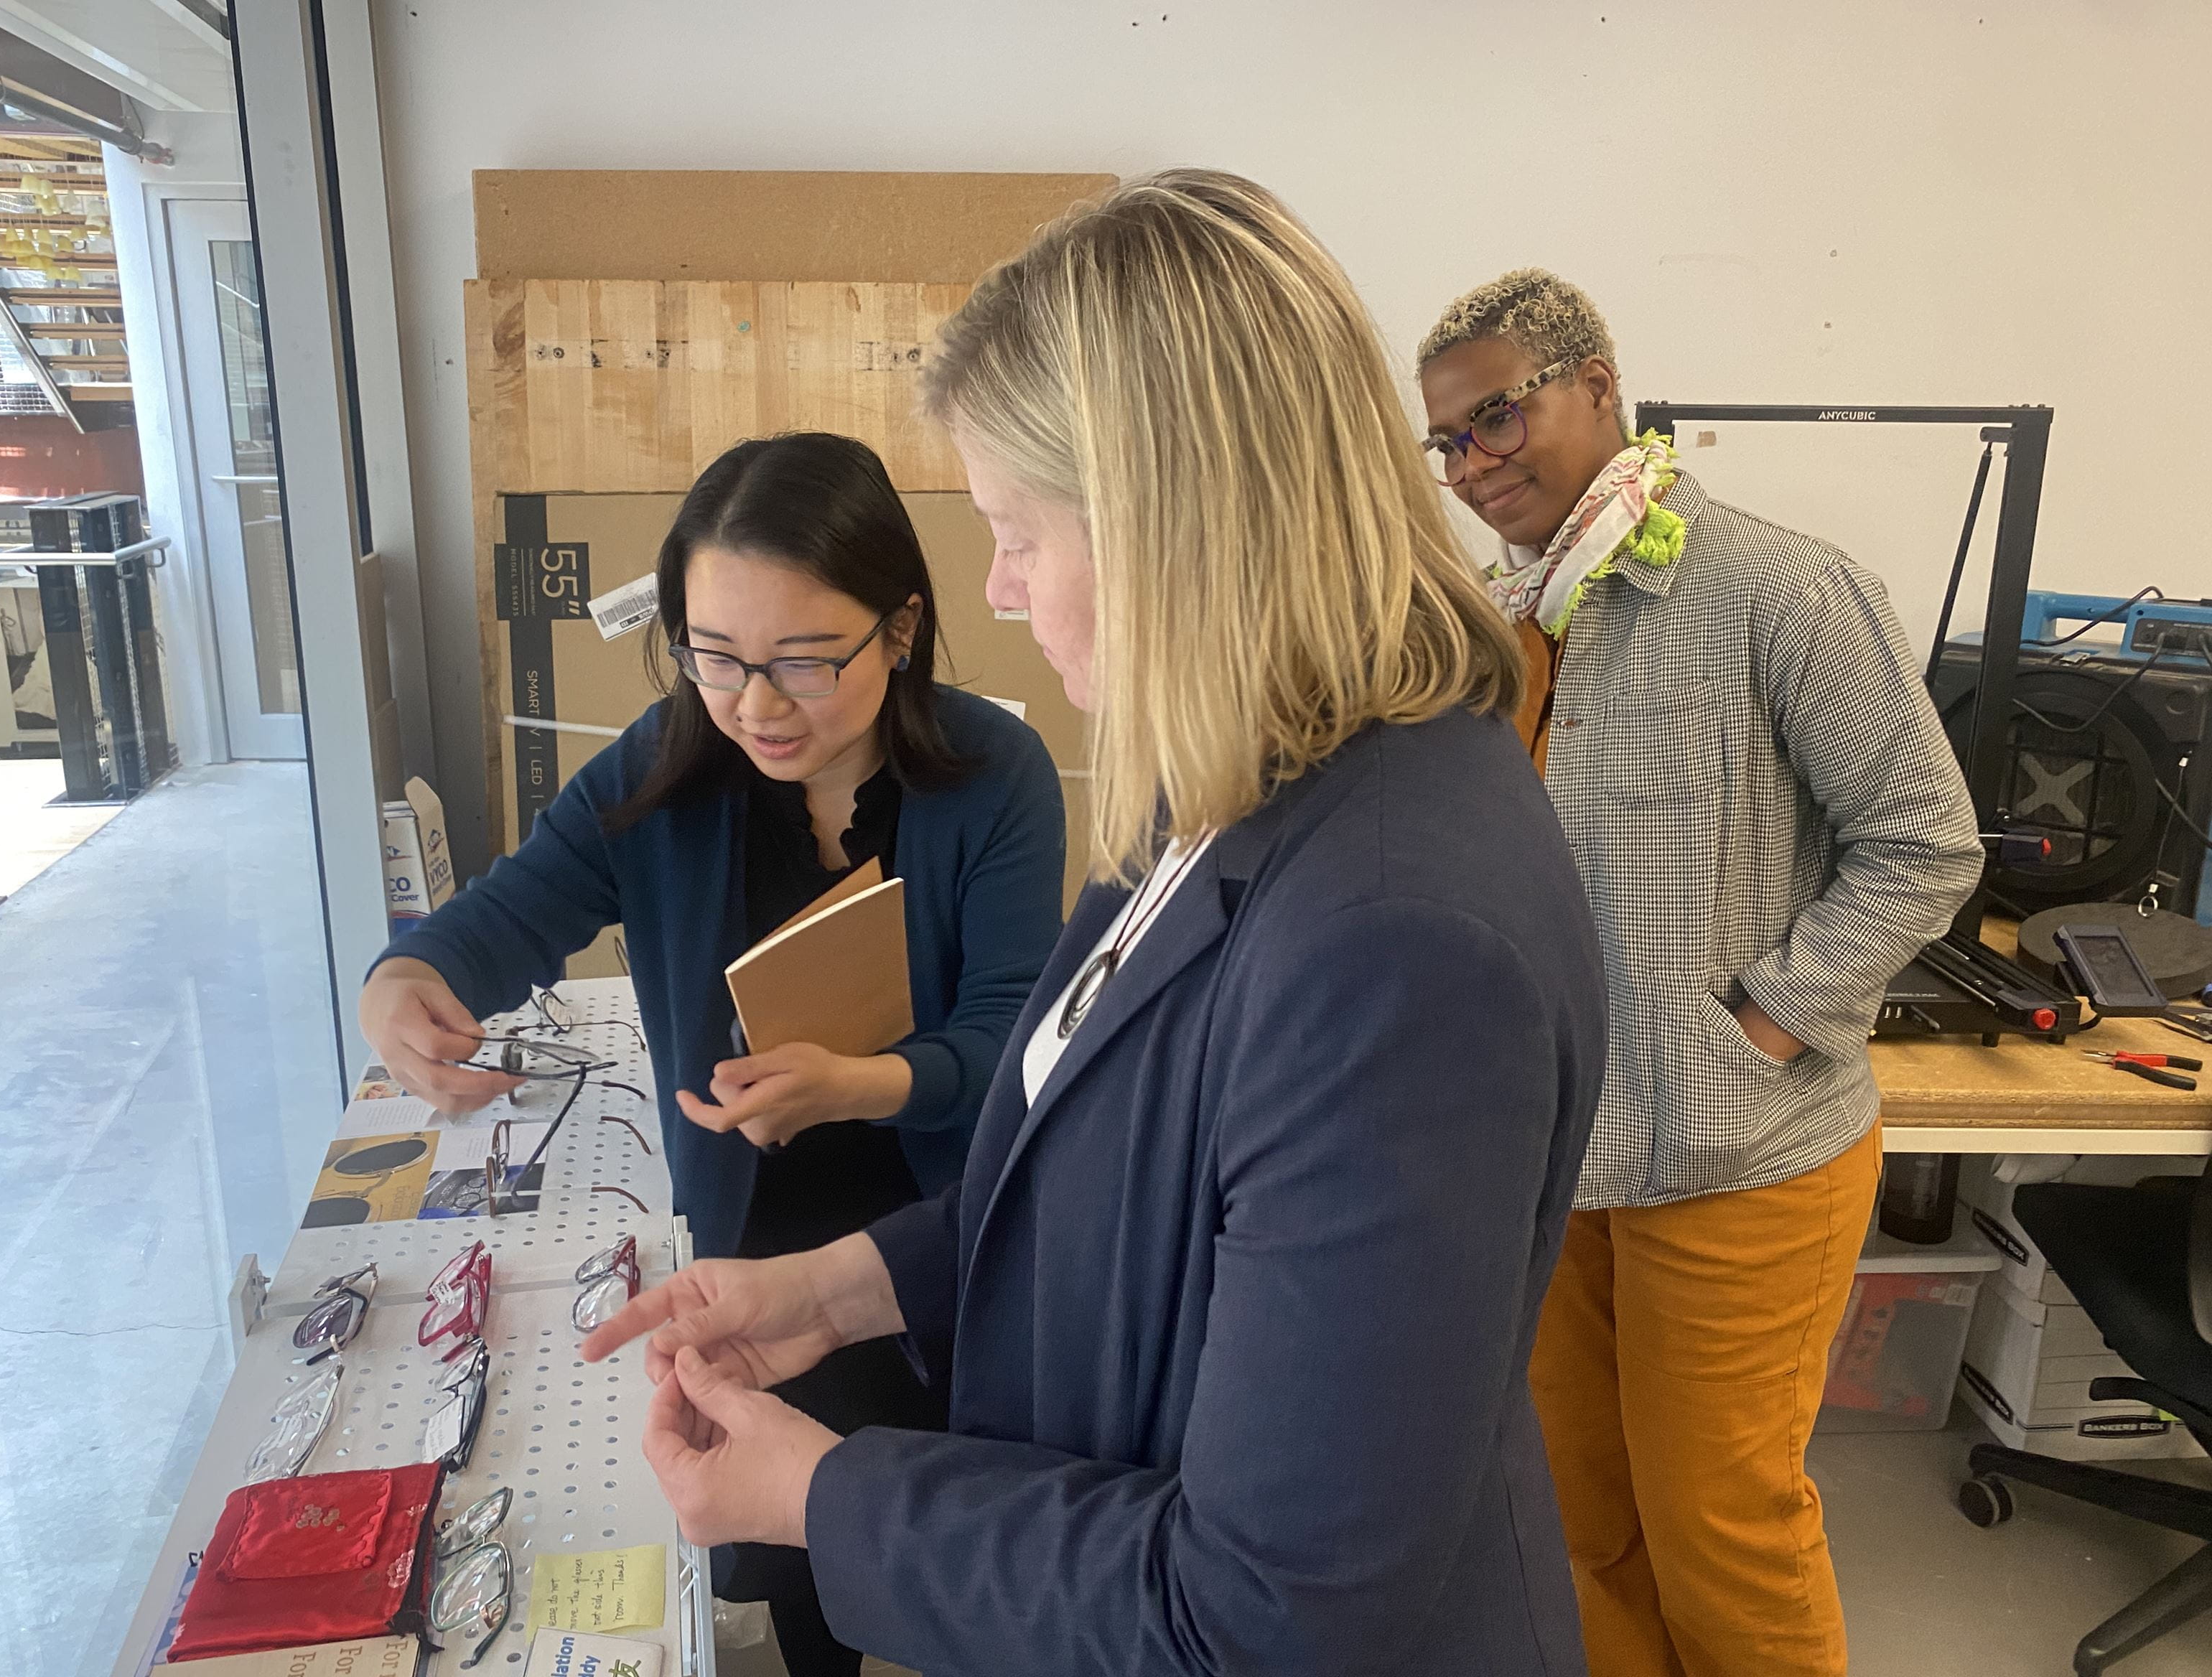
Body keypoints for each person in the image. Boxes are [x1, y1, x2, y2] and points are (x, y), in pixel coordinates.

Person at [582, 169, 1607, 1676]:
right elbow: (1101, 1198)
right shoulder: (1223, 778)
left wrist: (823, 1495)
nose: (1000, 589)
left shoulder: (1397, 943)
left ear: (1172, 528)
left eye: (1019, 532)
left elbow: (1262, 1614)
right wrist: (834, 1287)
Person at [360, 430, 1065, 1676]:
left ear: (901, 627)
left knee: (949, 1540)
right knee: (791, 1556)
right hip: (751, 1253)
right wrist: (404, 980)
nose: (756, 707)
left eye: (805, 661)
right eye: (717, 657)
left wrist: (861, 1084)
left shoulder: (992, 776)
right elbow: (510, 913)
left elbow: (1013, 1039)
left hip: (941, 1240)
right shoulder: (669, 764)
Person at [1415, 268, 1984, 1677]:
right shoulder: (1497, 620)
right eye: (1448, 442)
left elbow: (1925, 841)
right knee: (1577, 1518)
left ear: (1598, 386)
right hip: (1556, 1163)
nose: (1473, 466)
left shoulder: (1778, 590)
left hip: (1738, 1157)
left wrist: (1766, 1023)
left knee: (1720, 1529)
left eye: (1497, 418)